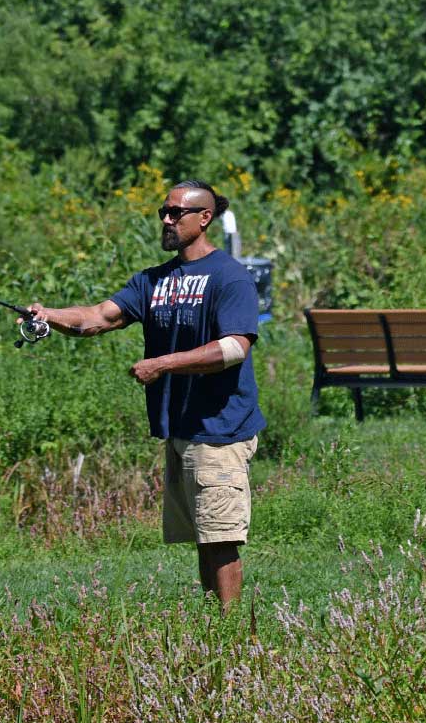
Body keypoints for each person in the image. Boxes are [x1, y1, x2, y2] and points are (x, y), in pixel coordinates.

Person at [21, 179, 266, 610]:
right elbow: (96, 318)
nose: (167, 220)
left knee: (221, 538)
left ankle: (230, 634)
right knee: (203, 539)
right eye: (163, 212)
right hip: (182, 430)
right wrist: (48, 315)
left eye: (177, 213)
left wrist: (162, 364)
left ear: (204, 218)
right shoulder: (154, 280)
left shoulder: (231, 277)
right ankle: (214, 625)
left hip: (221, 430)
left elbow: (234, 348)